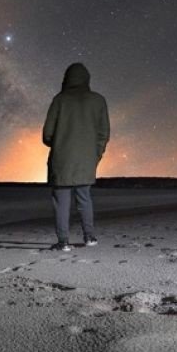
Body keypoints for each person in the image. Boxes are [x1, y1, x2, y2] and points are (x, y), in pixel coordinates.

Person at [42, 62, 110, 251]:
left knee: (61, 202)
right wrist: (95, 155)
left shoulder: (60, 100)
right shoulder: (98, 100)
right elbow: (103, 134)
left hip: (62, 160)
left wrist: (59, 143)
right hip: (86, 160)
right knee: (84, 198)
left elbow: (47, 134)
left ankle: (63, 241)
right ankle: (89, 237)